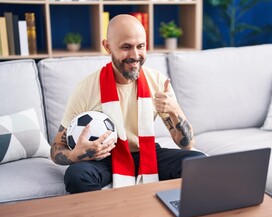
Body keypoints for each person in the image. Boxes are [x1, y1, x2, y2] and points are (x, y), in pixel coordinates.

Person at [50, 14, 205, 194]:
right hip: (105, 157)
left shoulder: (158, 82)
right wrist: (75, 155)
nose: (135, 55)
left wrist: (175, 110)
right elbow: (55, 149)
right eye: (126, 47)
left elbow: (186, 144)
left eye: (140, 46)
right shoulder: (86, 88)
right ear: (108, 47)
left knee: (198, 162)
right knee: (76, 175)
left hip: (147, 152)